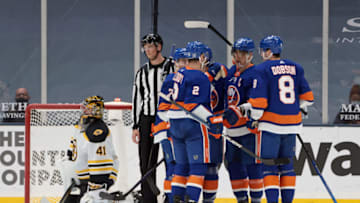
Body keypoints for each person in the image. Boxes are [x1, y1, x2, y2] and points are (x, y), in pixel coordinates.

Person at [241, 35, 314, 203]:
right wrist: (297, 106)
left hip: (271, 126)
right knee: (287, 166)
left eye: (262, 50)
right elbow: (308, 99)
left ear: (268, 51)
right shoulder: (296, 67)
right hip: (292, 125)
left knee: (269, 166)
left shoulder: (261, 69)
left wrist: (254, 116)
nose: (261, 54)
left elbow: (259, 104)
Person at [168, 41, 223, 202]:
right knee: (197, 168)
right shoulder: (201, 77)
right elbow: (193, 105)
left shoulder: (179, 74)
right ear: (201, 57)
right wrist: (211, 119)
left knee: (181, 167)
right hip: (191, 125)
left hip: (174, 123)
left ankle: (175, 200)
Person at [132, 33, 175, 203]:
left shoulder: (172, 68)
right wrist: (136, 126)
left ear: (159, 47)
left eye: (151, 46)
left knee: (170, 159)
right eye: (146, 47)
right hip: (147, 120)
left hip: (167, 119)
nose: (148, 50)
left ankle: (171, 195)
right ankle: (148, 198)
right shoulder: (142, 72)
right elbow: (137, 99)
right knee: (146, 163)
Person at [222, 37, 264, 203]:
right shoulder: (231, 72)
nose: (238, 56)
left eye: (243, 53)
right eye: (236, 53)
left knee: (253, 167)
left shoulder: (255, 74)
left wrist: (248, 114)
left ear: (251, 55)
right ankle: (241, 200)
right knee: (233, 167)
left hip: (249, 132)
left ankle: (255, 201)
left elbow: (257, 101)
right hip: (231, 131)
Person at [65, 95, 119, 203]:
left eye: (88, 108)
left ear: (96, 110)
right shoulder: (82, 126)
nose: (84, 111)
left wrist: (96, 183)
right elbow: (73, 152)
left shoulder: (97, 130)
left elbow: (100, 162)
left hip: (94, 185)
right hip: (82, 182)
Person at [152, 47, 189, 203]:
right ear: (175, 63)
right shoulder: (171, 79)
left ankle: (175, 196)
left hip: (175, 130)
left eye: (185, 61)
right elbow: (162, 109)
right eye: (180, 61)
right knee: (175, 166)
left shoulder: (184, 79)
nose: (182, 64)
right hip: (168, 130)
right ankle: (170, 198)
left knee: (178, 165)